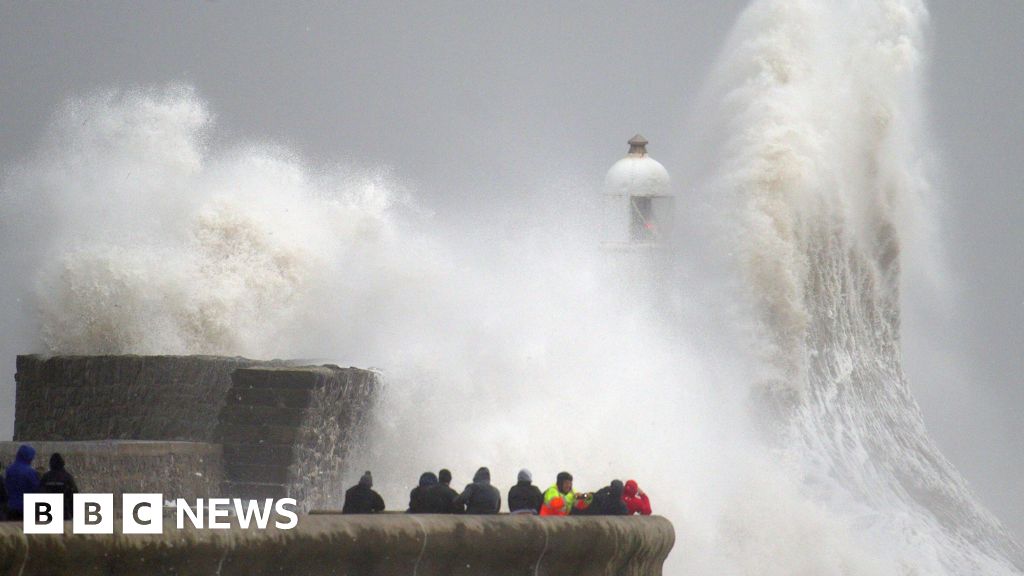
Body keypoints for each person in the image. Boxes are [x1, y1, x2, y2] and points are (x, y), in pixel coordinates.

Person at [5, 444, 40, 521]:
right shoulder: (31, 472)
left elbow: (6, 487)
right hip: (27, 507)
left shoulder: (9, 470)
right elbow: (36, 489)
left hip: (11, 506)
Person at [40, 453, 78, 520]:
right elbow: (74, 495)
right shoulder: (67, 477)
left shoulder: (46, 477)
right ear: (62, 463)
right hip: (64, 512)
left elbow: (39, 493)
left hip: (47, 511)